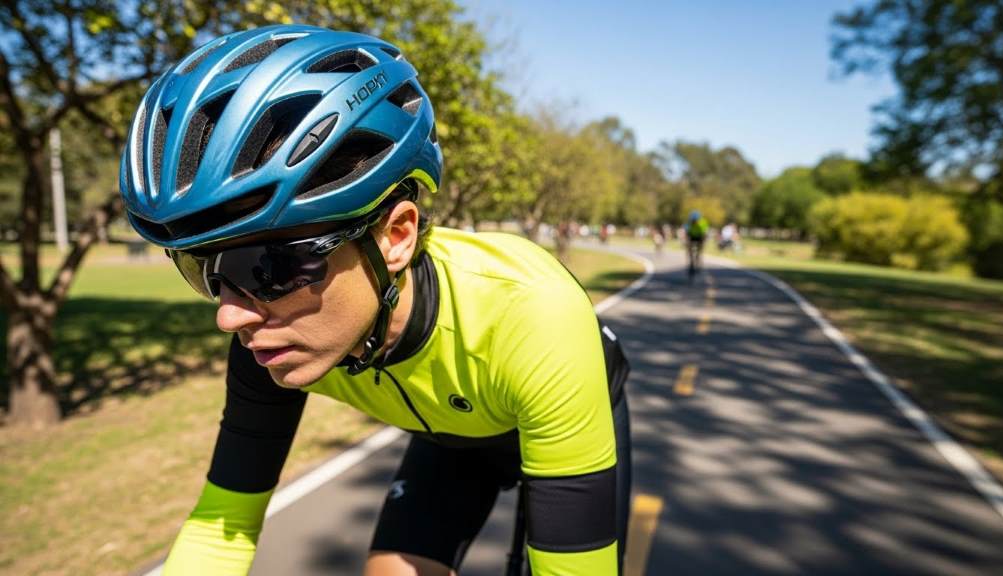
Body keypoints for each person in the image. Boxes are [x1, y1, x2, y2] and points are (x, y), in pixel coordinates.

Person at [119, 25, 632, 576]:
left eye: (267, 268)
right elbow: (222, 530)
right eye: (206, 271)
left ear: (395, 237)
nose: (230, 315)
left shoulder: (534, 315)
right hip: (453, 439)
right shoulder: (268, 336)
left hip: (563, 400)